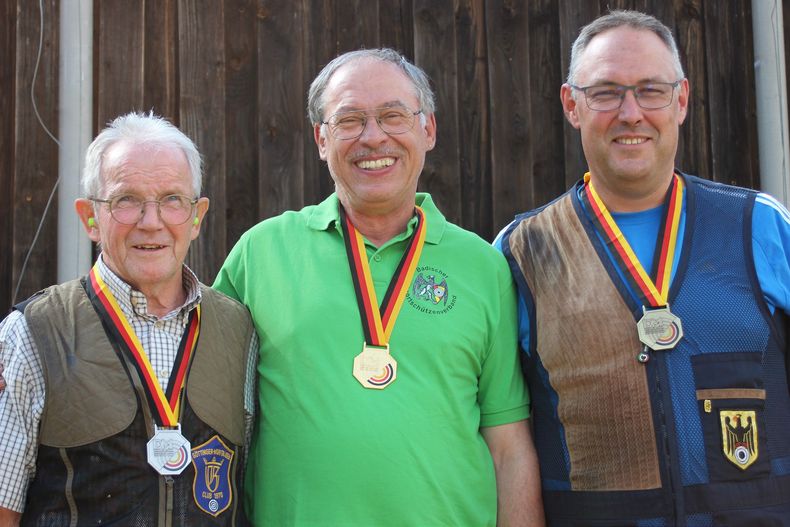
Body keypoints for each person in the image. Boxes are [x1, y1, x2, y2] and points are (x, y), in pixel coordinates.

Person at [213, 48, 545, 526]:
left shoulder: (482, 266)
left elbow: (508, 446)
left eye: (393, 115)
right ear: (321, 139)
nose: (373, 137)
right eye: (349, 120)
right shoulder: (260, 253)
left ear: (427, 130)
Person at [496, 10, 790, 526]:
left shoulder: (759, 226)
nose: (630, 112)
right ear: (572, 104)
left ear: (680, 100)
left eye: (651, 90)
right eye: (606, 92)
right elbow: (503, 434)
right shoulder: (522, 252)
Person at [0, 112, 258, 526]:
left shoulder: (240, 332)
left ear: (196, 217)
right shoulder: (34, 332)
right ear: (90, 218)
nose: (151, 221)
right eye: (126, 200)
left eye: (172, 199)